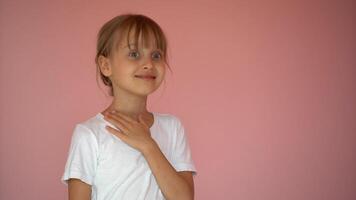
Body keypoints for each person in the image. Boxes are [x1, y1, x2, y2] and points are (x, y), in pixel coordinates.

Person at [60, 13, 197, 200]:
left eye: (156, 55)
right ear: (105, 65)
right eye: (134, 54)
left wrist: (148, 146)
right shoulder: (89, 134)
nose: (149, 63)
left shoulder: (172, 127)